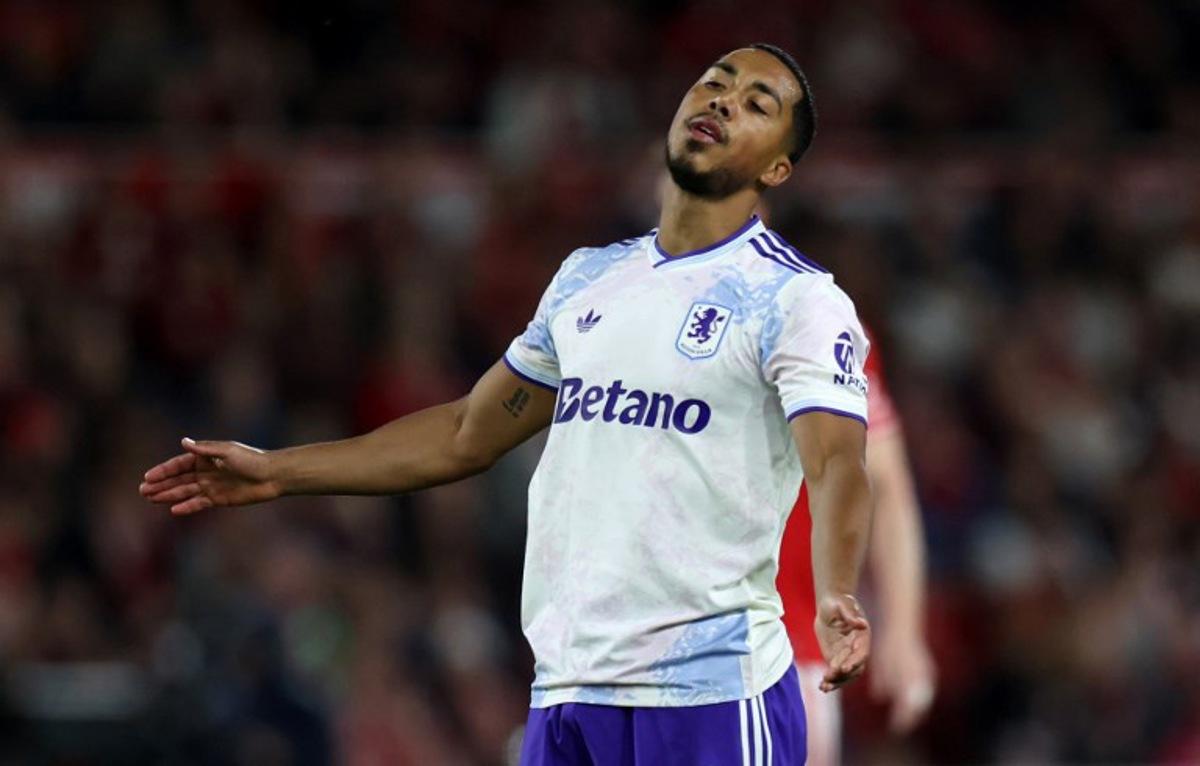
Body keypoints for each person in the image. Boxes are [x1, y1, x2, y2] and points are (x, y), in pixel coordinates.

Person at [140, 43, 873, 765]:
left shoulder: (796, 299)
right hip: (566, 692)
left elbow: (837, 463)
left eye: (756, 104)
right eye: (715, 81)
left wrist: (837, 590)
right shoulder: (589, 279)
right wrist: (277, 473)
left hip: (709, 696)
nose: (722, 101)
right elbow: (466, 431)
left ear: (778, 168)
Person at [777, 331, 935, 765]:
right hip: (649, 638)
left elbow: (885, 481)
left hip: (786, 650)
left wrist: (903, 630)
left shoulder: (822, 321)